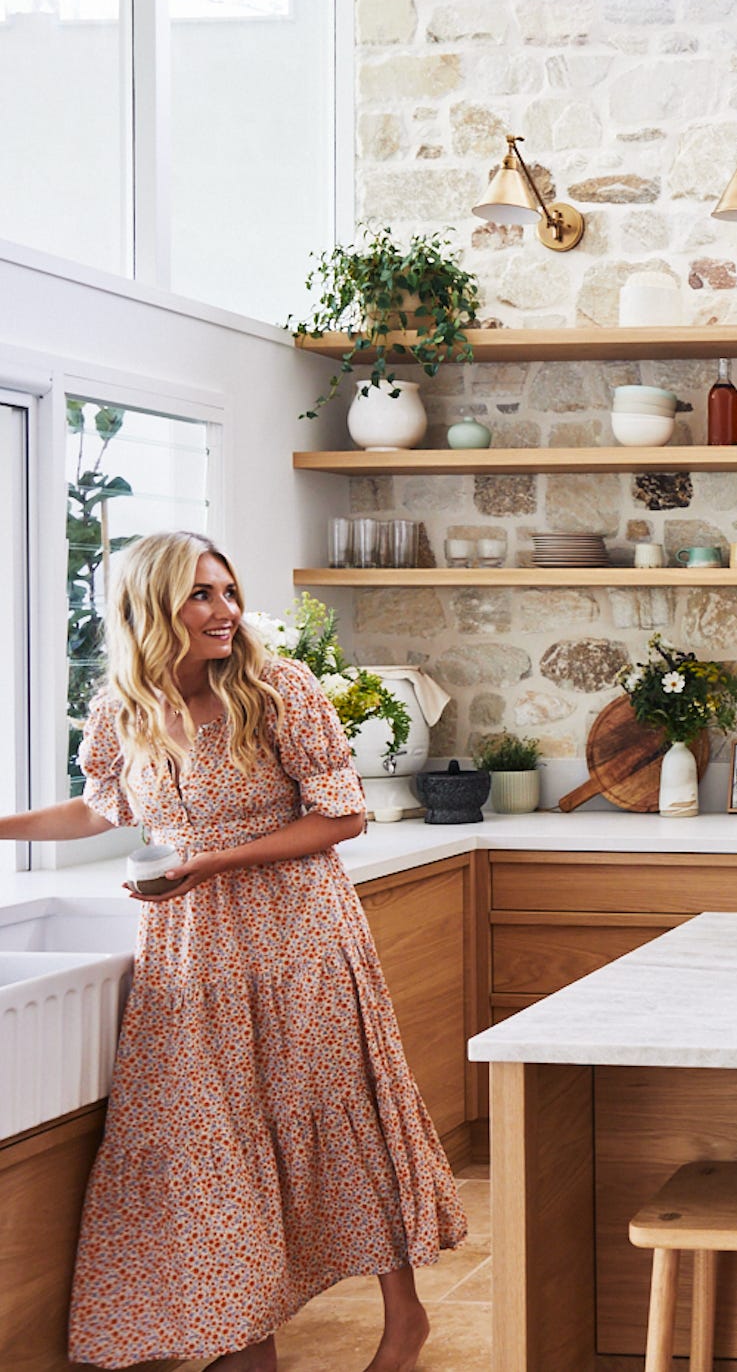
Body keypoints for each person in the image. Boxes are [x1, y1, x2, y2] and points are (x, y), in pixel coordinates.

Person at [0, 532, 464, 1372]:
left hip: (297, 933)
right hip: (187, 950)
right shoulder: (121, 709)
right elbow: (100, 809)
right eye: (202, 596)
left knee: (335, 1113)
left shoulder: (277, 687)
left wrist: (210, 862)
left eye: (228, 591)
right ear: (153, 608)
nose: (226, 611)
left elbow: (342, 815)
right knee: (207, 1139)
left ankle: (405, 1320)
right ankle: (246, 1335)